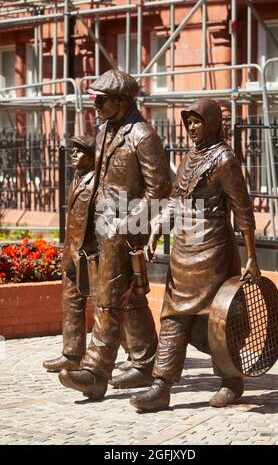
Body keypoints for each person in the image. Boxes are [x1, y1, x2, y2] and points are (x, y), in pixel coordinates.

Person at [129, 98, 261, 412]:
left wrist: (253, 257)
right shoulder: (191, 156)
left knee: (219, 318)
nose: (191, 127)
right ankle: (161, 386)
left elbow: (242, 209)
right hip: (184, 250)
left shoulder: (224, 158)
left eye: (197, 121)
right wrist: (156, 231)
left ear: (212, 122)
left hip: (213, 251)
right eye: (188, 121)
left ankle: (231, 380)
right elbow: (175, 202)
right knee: (173, 315)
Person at [59, 69, 172, 399]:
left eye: (102, 99)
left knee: (108, 299)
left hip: (125, 230)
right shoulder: (107, 128)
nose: (95, 104)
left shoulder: (143, 135)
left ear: (122, 101)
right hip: (101, 225)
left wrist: (128, 225)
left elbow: (160, 189)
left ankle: (95, 372)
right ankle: (145, 361)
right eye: (94, 98)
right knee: (130, 299)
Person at [43, 136, 97, 372]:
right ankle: (72, 354)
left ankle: (139, 354)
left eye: (80, 150)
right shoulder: (77, 177)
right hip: (73, 252)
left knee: (108, 306)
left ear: (93, 155)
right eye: (73, 151)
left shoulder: (99, 181)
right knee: (71, 302)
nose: (74, 154)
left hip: (91, 252)